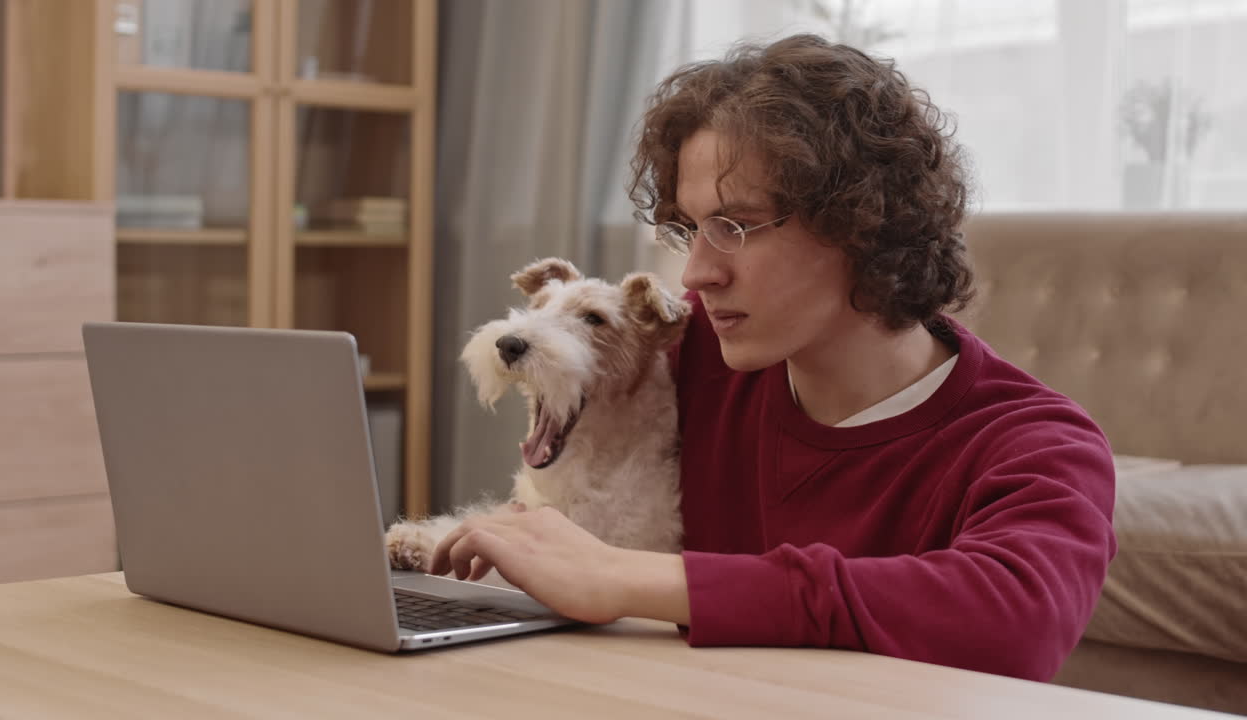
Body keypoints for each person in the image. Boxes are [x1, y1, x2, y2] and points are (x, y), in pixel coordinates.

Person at [429, 33, 1116, 682]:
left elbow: (1014, 622)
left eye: (736, 227)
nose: (696, 272)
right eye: (690, 229)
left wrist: (628, 579)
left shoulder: (1037, 447)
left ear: (862, 222)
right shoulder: (685, 352)